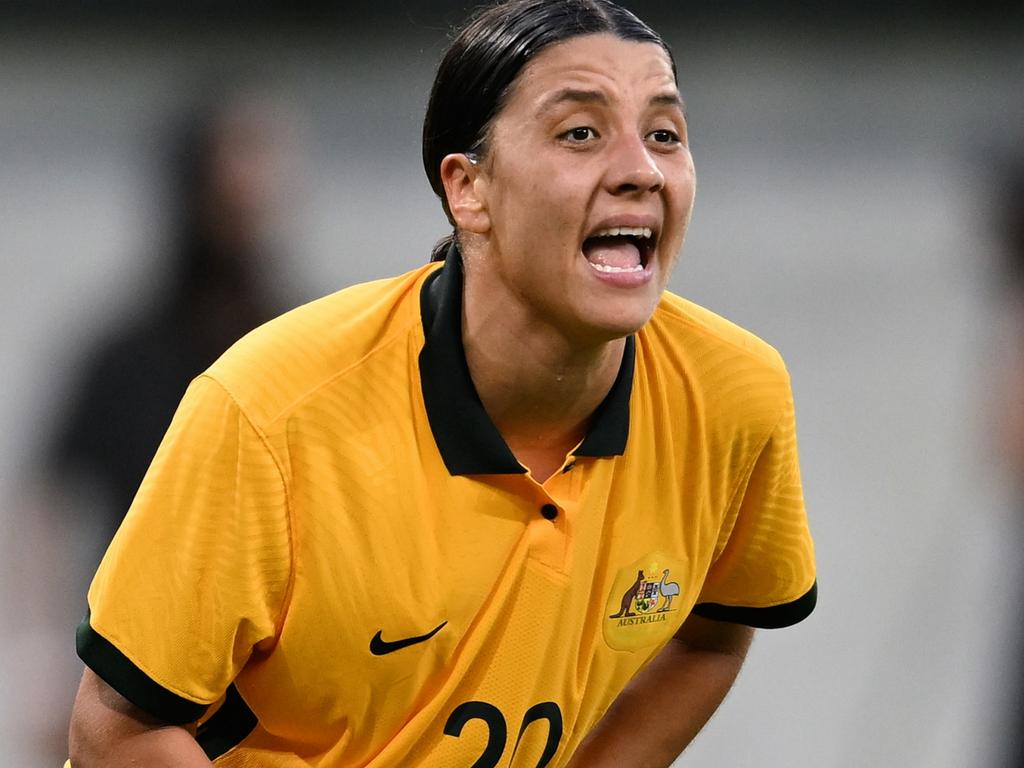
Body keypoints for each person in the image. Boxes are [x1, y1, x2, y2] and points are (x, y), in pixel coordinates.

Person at [67, 1, 817, 765]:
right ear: (468, 189)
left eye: (665, 134)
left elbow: (713, 638)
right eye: (581, 133)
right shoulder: (271, 410)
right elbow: (112, 730)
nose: (640, 170)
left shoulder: (735, 394)